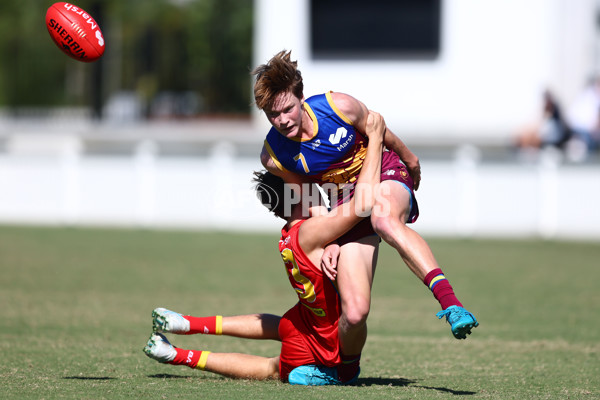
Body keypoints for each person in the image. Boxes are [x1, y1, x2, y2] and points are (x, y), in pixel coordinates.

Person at [252, 50, 478, 373]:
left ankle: (450, 302)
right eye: (273, 115)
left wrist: (410, 159)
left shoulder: (337, 106)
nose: (283, 120)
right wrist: (330, 240)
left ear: (301, 97)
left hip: (383, 174)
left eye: (288, 109)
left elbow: (379, 128)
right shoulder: (273, 155)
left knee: (383, 218)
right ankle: (344, 371)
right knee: (354, 313)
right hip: (347, 206)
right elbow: (310, 197)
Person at [143, 111, 387, 385]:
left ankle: (186, 329)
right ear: (295, 191)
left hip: (304, 319)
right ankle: (176, 352)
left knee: (282, 330)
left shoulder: (289, 234)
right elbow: (363, 203)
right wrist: (376, 137)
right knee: (273, 367)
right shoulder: (311, 232)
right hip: (325, 335)